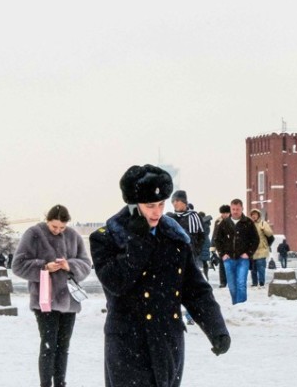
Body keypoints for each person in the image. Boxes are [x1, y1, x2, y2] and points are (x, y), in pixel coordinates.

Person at [90, 164, 229, 387]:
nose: (157, 212)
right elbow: (116, 283)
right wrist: (137, 243)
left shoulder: (175, 237)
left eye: (161, 204)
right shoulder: (107, 238)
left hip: (167, 341)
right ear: (134, 205)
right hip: (128, 343)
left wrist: (216, 329)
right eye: (150, 205)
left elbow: (195, 290)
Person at [13, 204, 93, 387]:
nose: (58, 231)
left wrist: (69, 266)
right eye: (54, 226)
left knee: (63, 347)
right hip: (44, 300)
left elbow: (86, 264)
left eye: (62, 227)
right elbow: (17, 265)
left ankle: (60, 383)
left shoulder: (73, 236)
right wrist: (43, 267)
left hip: (69, 301)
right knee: (49, 345)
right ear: (47, 221)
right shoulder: (33, 234)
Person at [212, 198, 259, 305]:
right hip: (228, 259)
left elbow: (255, 239)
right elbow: (217, 239)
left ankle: (241, 306)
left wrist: (249, 253)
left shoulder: (248, 223)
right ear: (231, 209)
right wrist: (222, 254)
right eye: (233, 209)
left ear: (242, 209)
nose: (235, 211)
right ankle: (235, 305)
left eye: (238, 209)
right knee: (232, 285)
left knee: (241, 283)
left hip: (243, 259)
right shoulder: (224, 223)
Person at [169, 191, 204, 264]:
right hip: (174, 257)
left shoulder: (195, 216)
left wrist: (196, 251)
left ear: (184, 202)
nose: (174, 203)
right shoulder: (171, 218)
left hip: (191, 256)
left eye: (177, 200)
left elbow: (201, 236)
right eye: (173, 201)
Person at [248, 208, 274, 287]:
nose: (254, 216)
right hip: (253, 250)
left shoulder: (263, 223)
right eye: (252, 215)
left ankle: (261, 282)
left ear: (258, 215)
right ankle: (254, 283)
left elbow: (270, 234)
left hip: (262, 249)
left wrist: (264, 230)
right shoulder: (249, 224)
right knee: (253, 269)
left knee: (261, 267)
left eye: (255, 215)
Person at [212, 205, 230, 288]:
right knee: (222, 265)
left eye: (226, 212)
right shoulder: (218, 221)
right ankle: (223, 282)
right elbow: (214, 235)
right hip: (221, 246)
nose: (225, 214)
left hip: (232, 246)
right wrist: (213, 247)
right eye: (223, 213)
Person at [198, 211, 212, 280]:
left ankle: (203, 276)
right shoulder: (206, 224)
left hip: (201, 243)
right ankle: (206, 276)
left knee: (200, 260)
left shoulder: (202, 224)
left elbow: (201, 234)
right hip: (206, 243)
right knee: (204, 261)